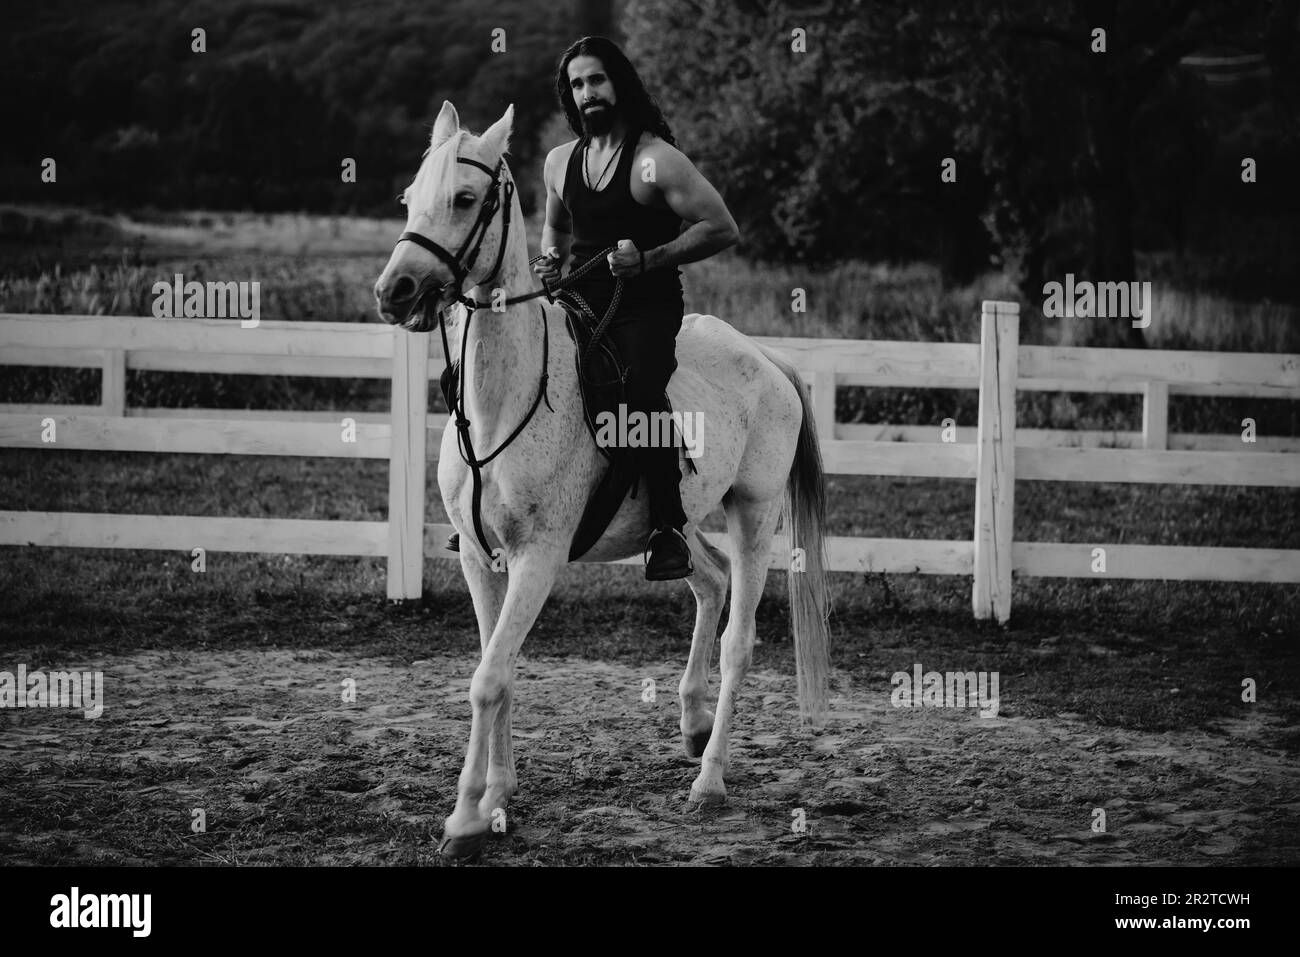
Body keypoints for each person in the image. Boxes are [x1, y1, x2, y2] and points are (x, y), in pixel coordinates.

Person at [448, 36, 740, 580]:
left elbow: (721, 228)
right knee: (489, 370)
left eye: (597, 80)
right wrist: (549, 265)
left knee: (639, 394)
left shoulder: (657, 160)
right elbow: (555, 232)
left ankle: (667, 527)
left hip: (643, 308)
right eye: (577, 84)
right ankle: (482, 509)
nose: (588, 92)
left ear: (619, 83)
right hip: (576, 301)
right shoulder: (560, 162)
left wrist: (650, 258)